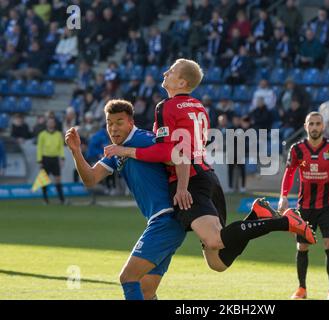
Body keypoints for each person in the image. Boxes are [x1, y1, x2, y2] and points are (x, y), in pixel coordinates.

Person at [104, 58, 316, 275]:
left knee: (214, 241)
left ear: (182, 83)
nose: (165, 72)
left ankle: (284, 222)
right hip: (207, 176)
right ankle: (257, 215)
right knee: (218, 262)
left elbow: (170, 152)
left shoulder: (165, 107)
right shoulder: (199, 106)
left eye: (172, 71)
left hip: (189, 182)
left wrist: (127, 151)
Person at [65, 99, 186, 300]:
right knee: (146, 292)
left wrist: (182, 189)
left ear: (130, 122)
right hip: (164, 222)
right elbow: (91, 179)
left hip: (166, 219)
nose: (113, 128)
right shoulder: (115, 151)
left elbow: (180, 156)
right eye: (109, 123)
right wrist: (76, 152)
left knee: (127, 278)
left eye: (119, 122)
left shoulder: (145, 139)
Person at [278, 112, 329, 300]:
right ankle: (301, 289)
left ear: (323, 127)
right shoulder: (297, 149)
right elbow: (289, 173)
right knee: (302, 247)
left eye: (318, 124)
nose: (315, 127)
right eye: (311, 124)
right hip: (305, 206)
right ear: (306, 126)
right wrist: (283, 196)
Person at [36, 117, 66, 205]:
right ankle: (45, 200)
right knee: (44, 180)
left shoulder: (58, 134)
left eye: (52, 122)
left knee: (58, 179)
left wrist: (62, 158)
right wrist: (39, 160)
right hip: (45, 159)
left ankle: (62, 200)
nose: (51, 124)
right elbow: (39, 148)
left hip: (55, 159)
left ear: (54, 124)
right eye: (49, 122)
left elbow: (61, 147)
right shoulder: (42, 135)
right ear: (47, 124)